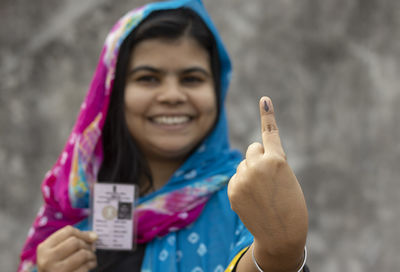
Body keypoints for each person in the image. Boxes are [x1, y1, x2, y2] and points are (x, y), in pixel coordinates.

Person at [18, 0, 309, 271]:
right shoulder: (75, 201)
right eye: (148, 78)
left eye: (192, 79)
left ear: (217, 90)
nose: (172, 95)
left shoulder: (245, 192)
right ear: (114, 93)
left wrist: (279, 252)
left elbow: (263, 260)